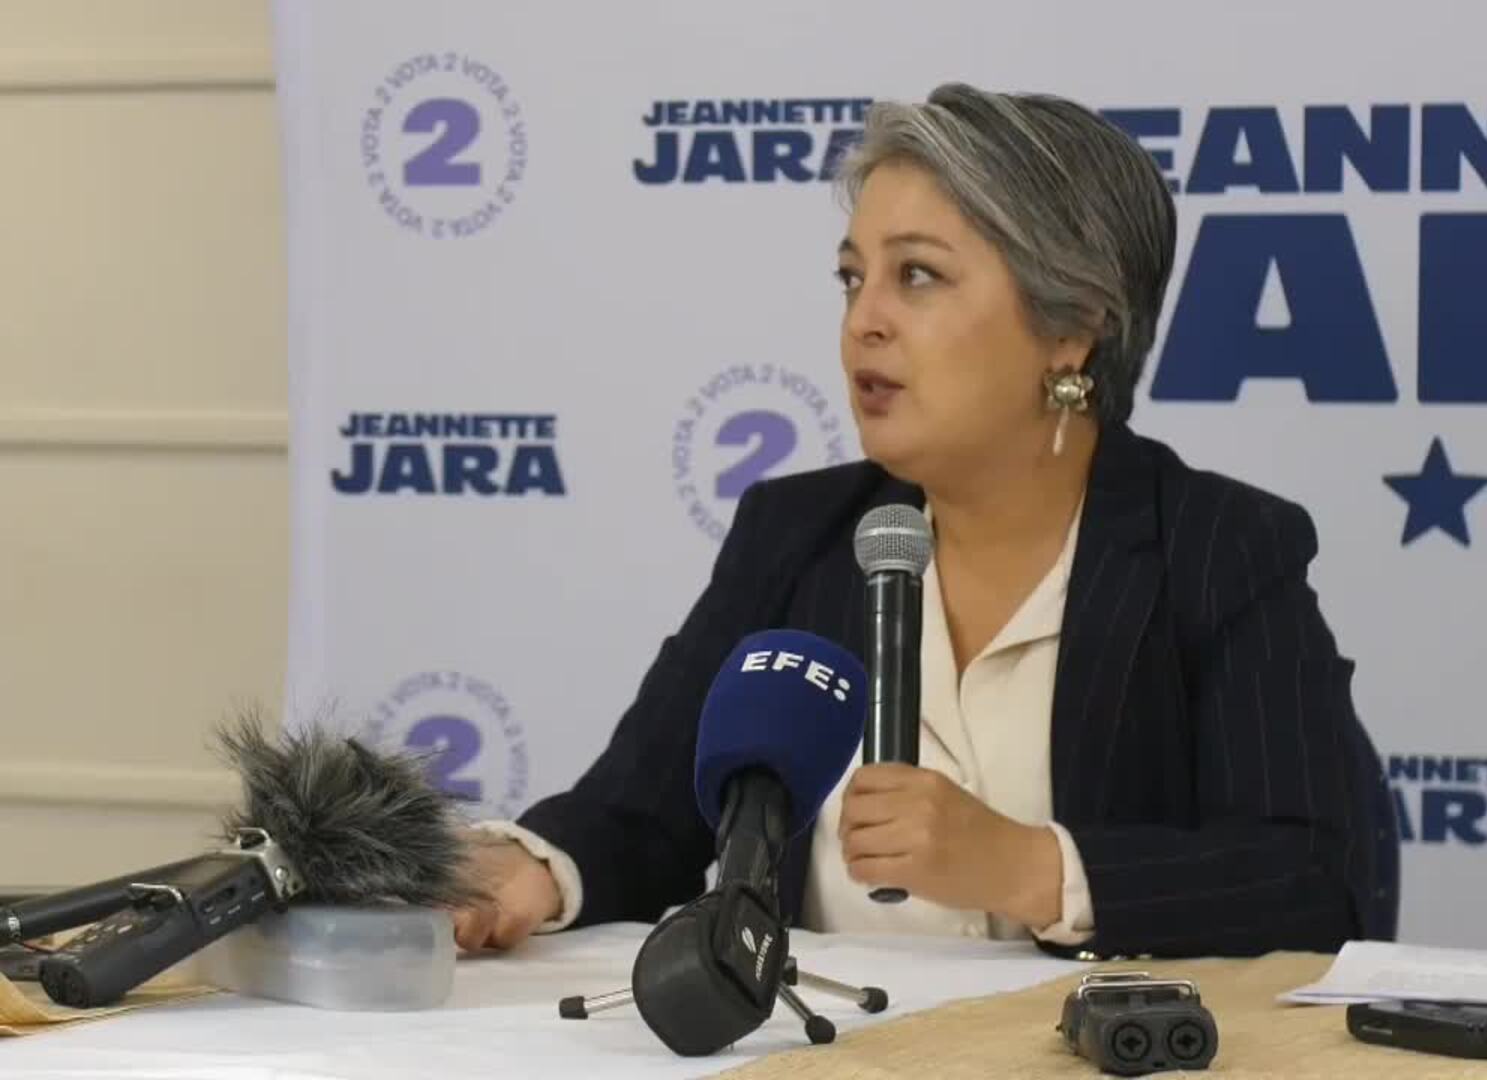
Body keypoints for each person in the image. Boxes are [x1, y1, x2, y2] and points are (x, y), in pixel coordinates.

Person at [453, 83, 1395, 960]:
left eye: (917, 276)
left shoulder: (1218, 549)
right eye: (851, 278)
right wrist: (533, 869)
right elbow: (642, 816)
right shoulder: (795, 534)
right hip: (834, 1051)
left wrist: (1027, 866)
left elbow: (1315, 884)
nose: (863, 321)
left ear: (1072, 327)